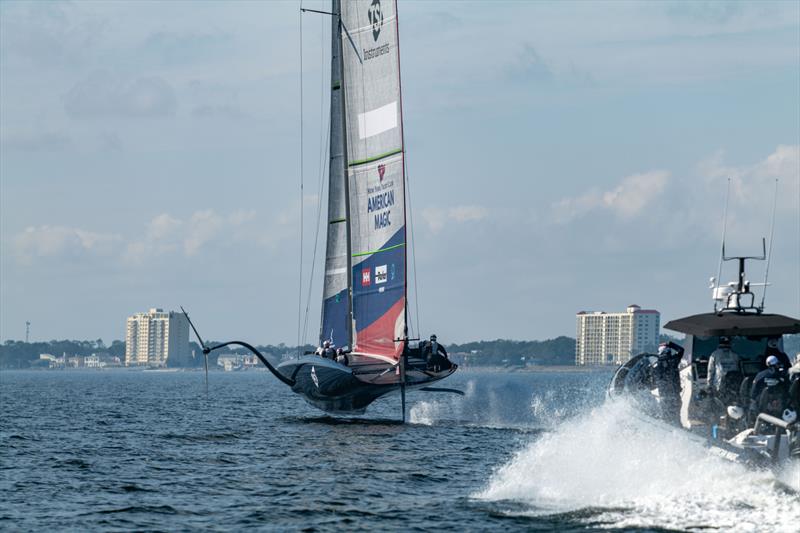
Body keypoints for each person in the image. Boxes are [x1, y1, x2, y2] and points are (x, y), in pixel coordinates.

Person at [651, 341, 684, 423]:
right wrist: (670, 344)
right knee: (676, 419)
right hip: (675, 396)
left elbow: (653, 382)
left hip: (664, 397)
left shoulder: (657, 366)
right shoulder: (674, 361)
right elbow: (681, 350)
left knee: (666, 420)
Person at [706, 337, 741, 406]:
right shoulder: (735, 355)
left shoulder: (714, 354)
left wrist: (709, 386)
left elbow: (710, 371)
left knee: (719, 404)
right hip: (733, 385)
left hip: (719, 385)